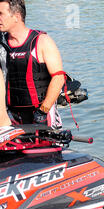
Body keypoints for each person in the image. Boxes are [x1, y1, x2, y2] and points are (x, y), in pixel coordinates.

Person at [0, 0, 64, 128]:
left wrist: (43, 111)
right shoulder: (2, 44)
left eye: (1, 14)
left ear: (17, 17)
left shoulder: (42, 41)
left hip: (40, 113)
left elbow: (58, 78)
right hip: (11, 115)